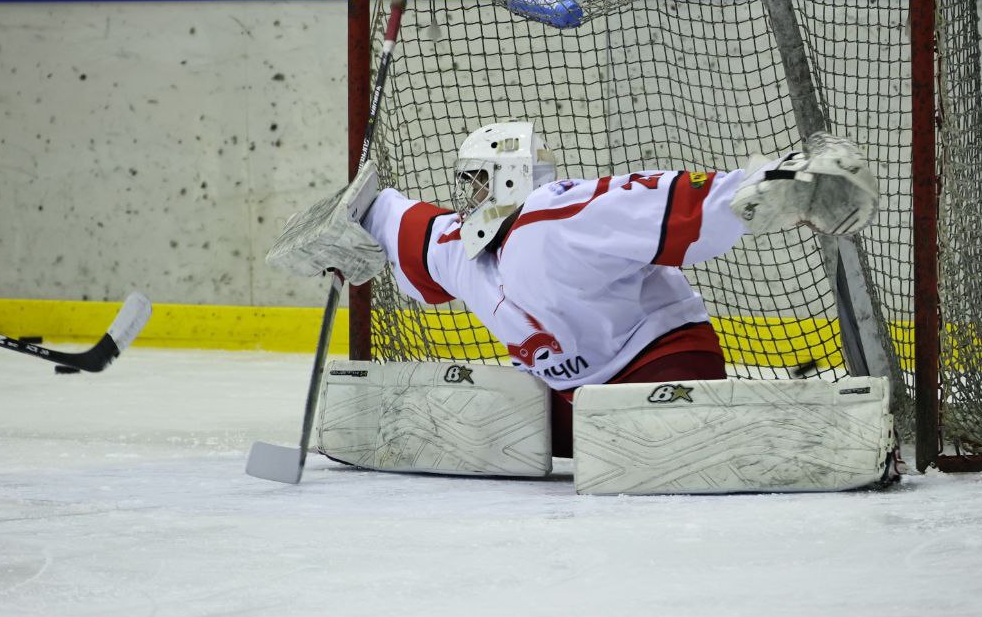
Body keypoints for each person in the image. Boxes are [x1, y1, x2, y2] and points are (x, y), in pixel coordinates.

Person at [270, 120, 878, 457]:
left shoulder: (561, 218)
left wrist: (779, 183)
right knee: (480, 425)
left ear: (513, 176)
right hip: (573, 398)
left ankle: (787, 424)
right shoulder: (464, 248)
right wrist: (346, 225)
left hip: (659, 367)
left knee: (637, 440)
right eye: (468, 183)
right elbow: (398, 220)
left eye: (481, 180)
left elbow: (673, 199)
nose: (472, 195)